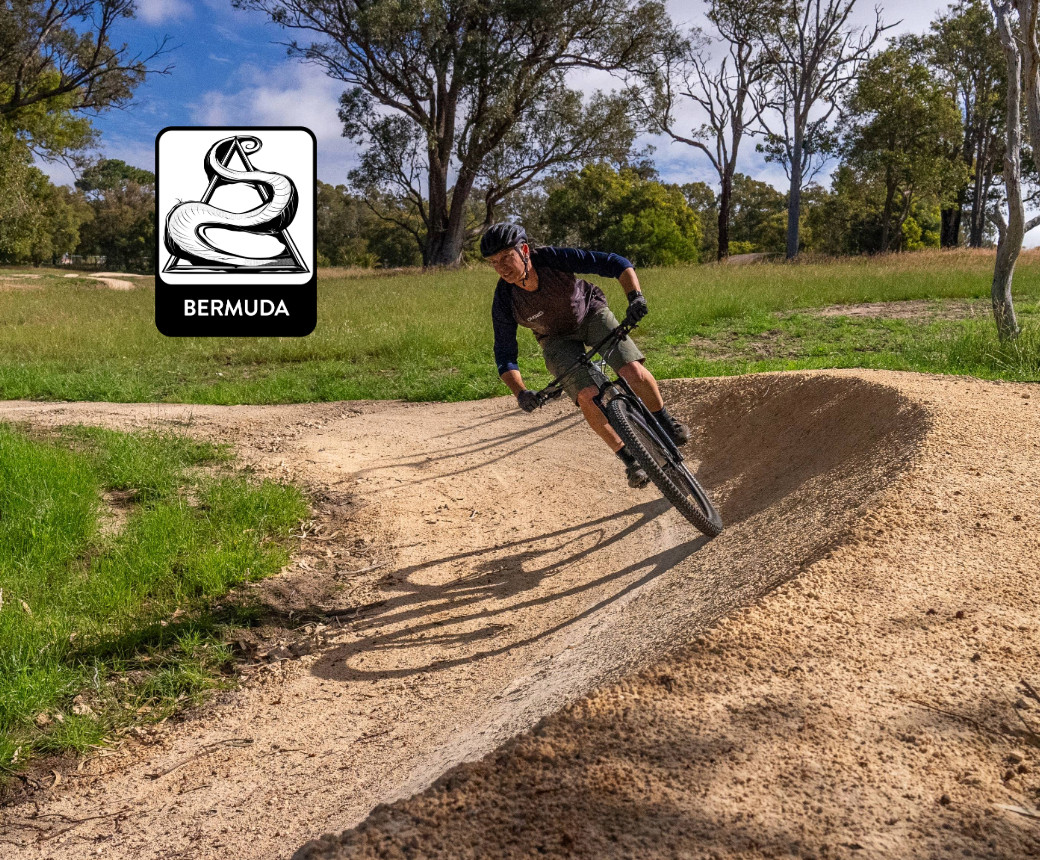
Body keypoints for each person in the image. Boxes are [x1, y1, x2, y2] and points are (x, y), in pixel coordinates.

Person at [483, 222, 690, 489]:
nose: (501, 267)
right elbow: (504, 353)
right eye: (494, 262)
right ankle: (630, 460)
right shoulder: (504, 299)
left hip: (591, 313)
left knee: (632, 371)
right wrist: (521, 393)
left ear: (524, 250)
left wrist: (635, 298)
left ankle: (664, 420)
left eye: (506, 257)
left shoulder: (552, 259)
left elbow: (617, 263)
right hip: (555, 339)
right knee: (586, 396)